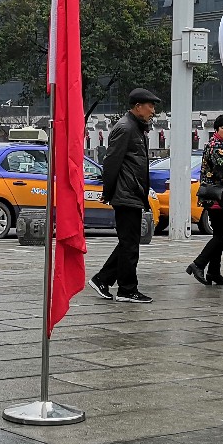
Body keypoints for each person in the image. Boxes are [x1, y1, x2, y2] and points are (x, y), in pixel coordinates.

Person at [90, 88, 159, 304]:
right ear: (138, 107)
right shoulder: (126, 128)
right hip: (126, 192)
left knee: (129, 242)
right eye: (150, 106)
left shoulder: (136, 127)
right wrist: (108, 191)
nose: (153, 111)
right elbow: (111, 162)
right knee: (130, 244)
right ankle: (127, 290)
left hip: (132, 192)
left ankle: (103, 279)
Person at [186, 114, 223, 287]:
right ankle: (198, 264)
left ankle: (214, 272)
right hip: (218, 197)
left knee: (219, 234)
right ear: (216, 130)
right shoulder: (216, 146)